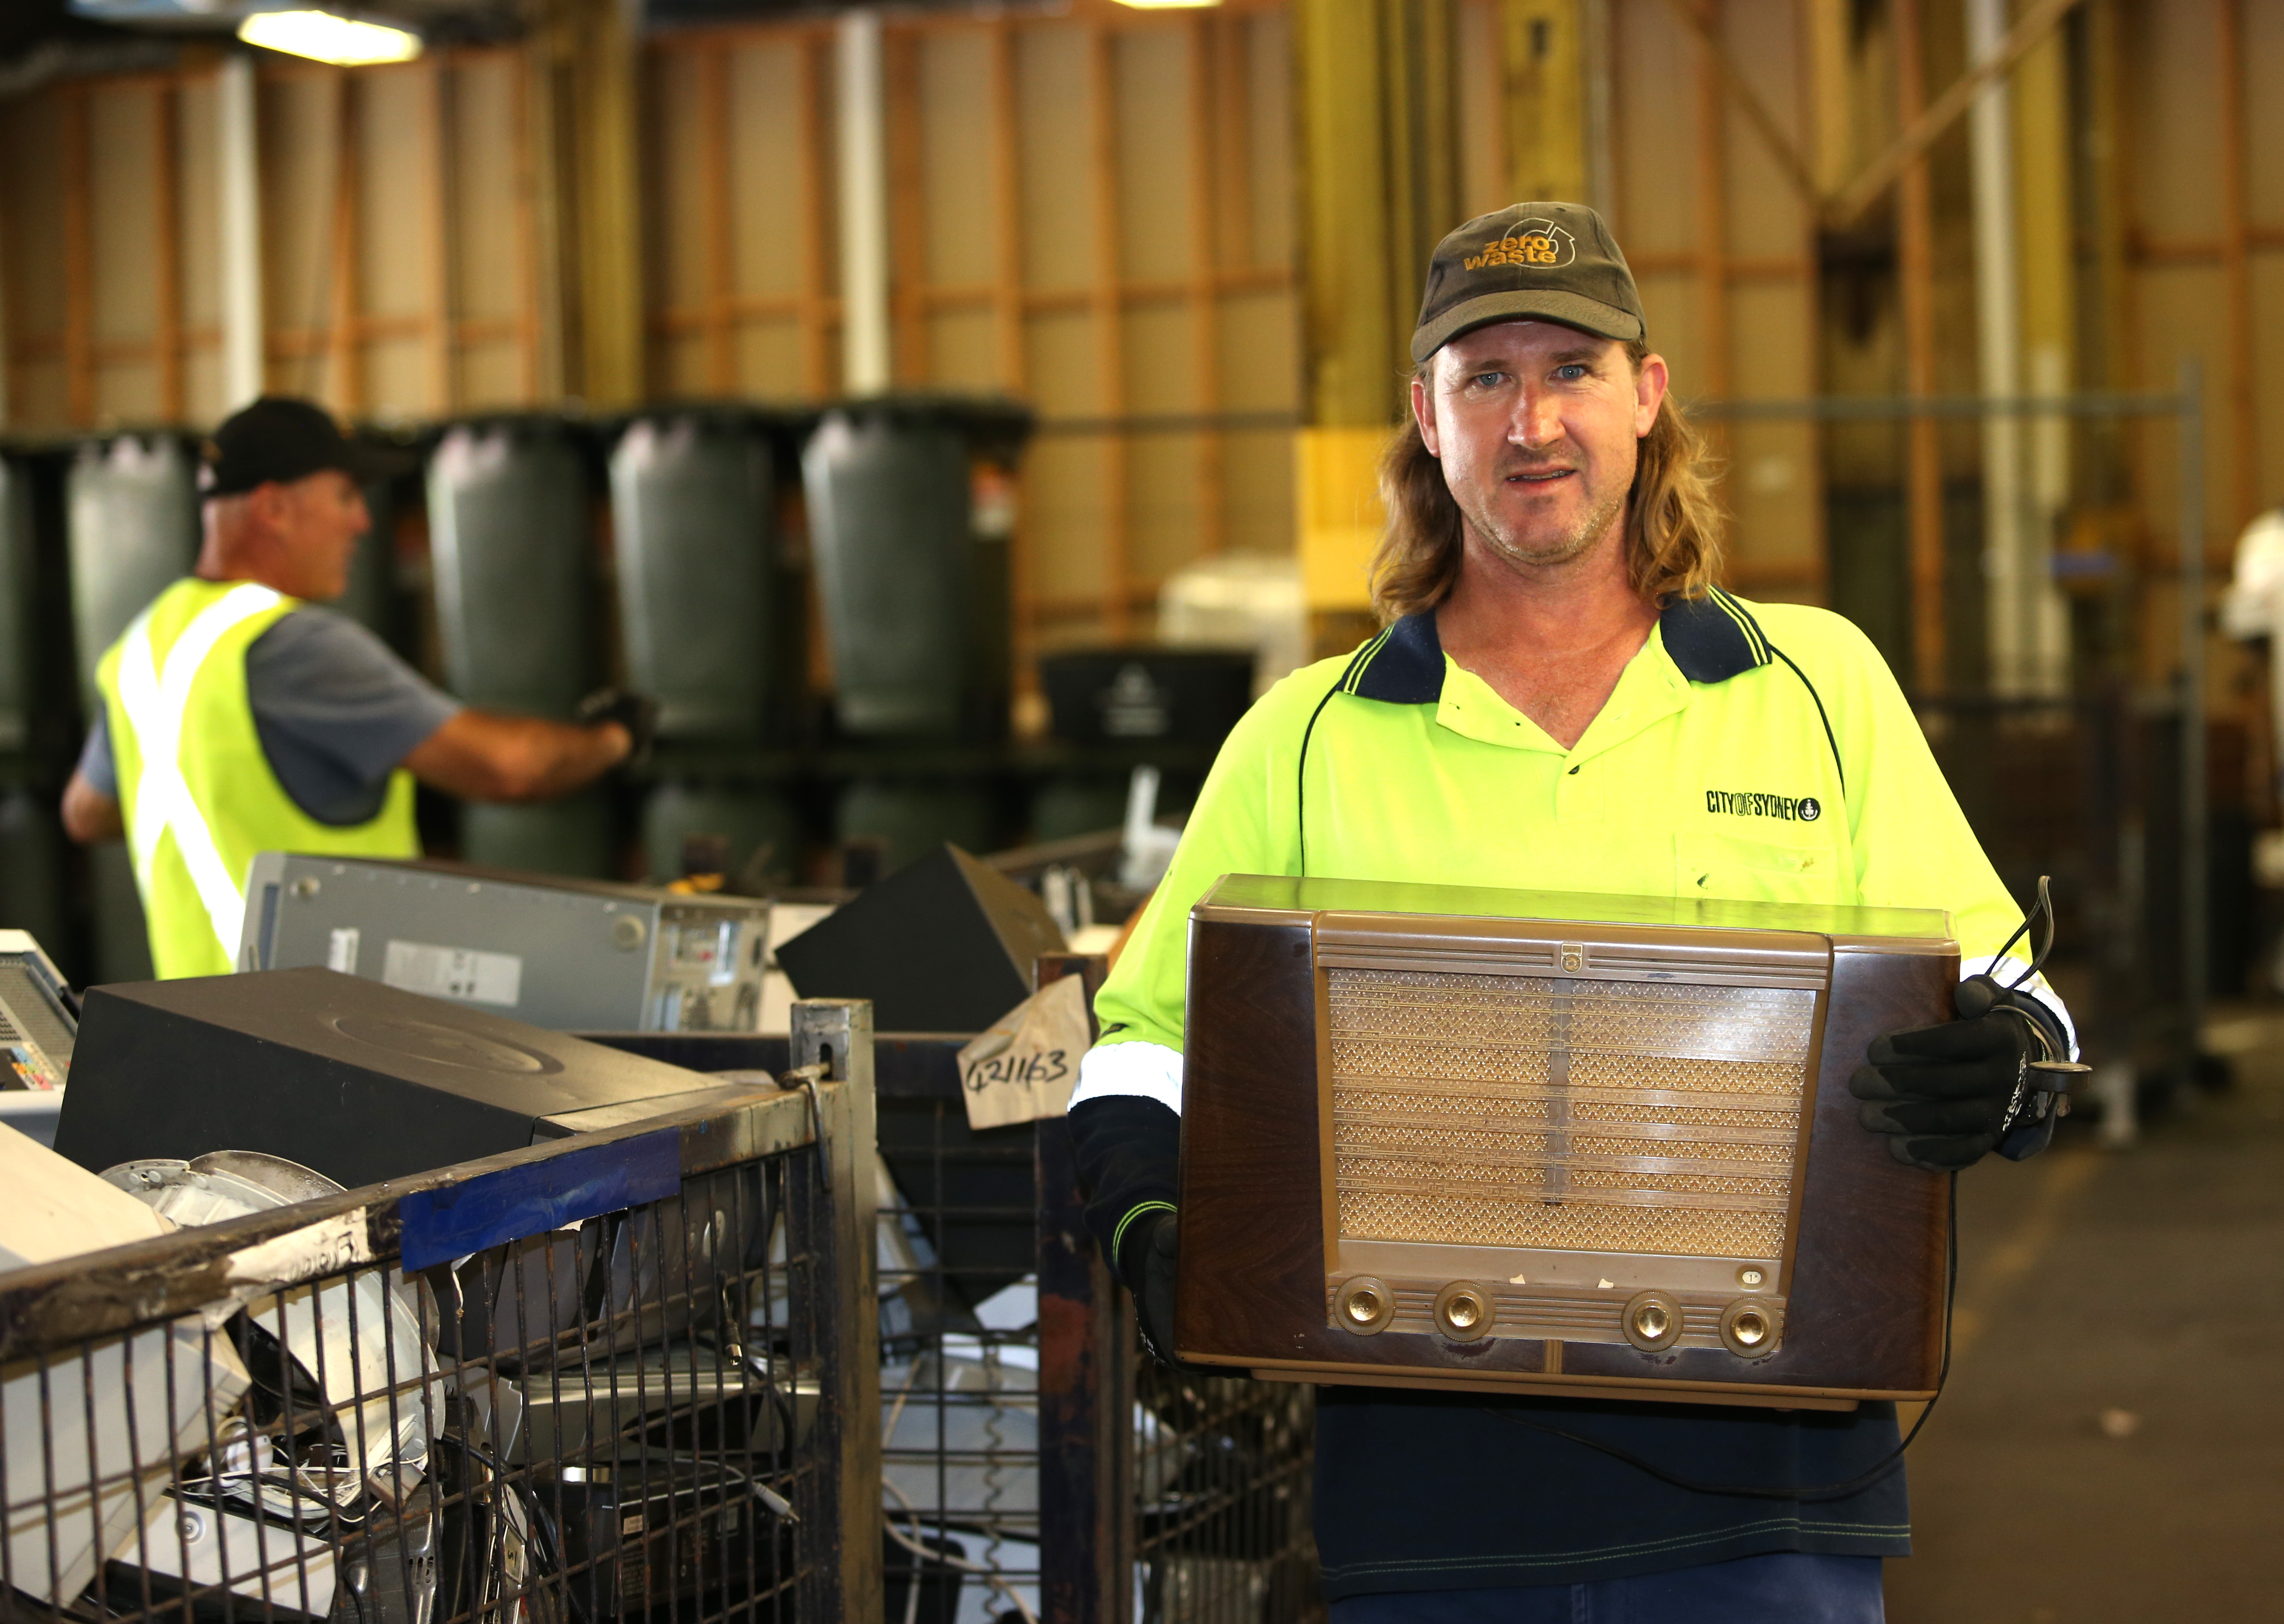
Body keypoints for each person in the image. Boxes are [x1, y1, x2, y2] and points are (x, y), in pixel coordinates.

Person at [1064, 203, 2076, 1621]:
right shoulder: (1303, 742)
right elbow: (1139, 1041)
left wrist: (2010, 1063)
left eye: (1572, 371)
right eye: (1485, 378)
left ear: (1647, 399)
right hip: (1433, 1512)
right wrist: (1153, 1218)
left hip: (1772, 1511)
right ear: (1427, 416)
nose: (1532, 420)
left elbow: (2012, 984)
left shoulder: (1818, 692)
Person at [61, 396, 654, 979]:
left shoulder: (141, 648)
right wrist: (615, 737)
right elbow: (511, 769)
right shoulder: (297, 646)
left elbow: (87, 814)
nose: (362, 522)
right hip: (322, 1039)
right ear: (273, 508)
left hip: (196, 1033)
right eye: (345, 495)